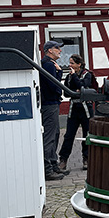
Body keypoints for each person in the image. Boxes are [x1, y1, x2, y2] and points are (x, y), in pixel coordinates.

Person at [58, 54, 94, 171]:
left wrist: (76, 82)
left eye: (72, 63)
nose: (70, 65)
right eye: (69, 63)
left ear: (79, 64)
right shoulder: (69, 76)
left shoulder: (87, 74)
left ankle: (86, 157)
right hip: (74, 108)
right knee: (69, 135)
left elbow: (83, 87)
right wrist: (76, 90)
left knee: (87, 133)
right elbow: (66, 92)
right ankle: (63, 159)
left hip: (85, 108)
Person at [40, 40, 68, 181]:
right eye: (57, 48)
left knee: (55, 134)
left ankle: (53, 165)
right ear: (50, 50)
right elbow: (55, 86)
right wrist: (60, 72)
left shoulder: (47, 64)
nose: (60, 50)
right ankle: (48, 169)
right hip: (50, 104)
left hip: (50, 103)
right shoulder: (49, 65)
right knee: (50, 137)